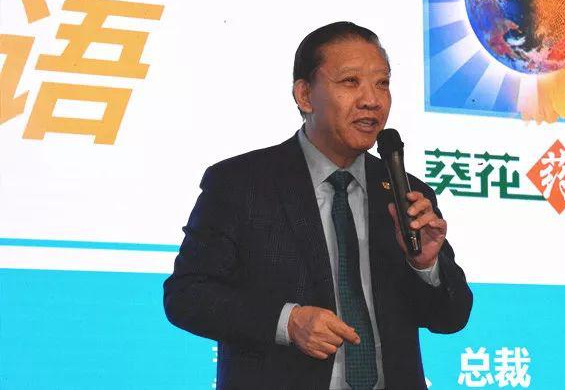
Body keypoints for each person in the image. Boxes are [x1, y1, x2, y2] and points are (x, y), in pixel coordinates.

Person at [163, 21, 472, 389]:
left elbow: (450, 318)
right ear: (305, 95)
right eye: (350, 82)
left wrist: (425, 265)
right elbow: (187, 295)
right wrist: (287, 322)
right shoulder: (241, 183)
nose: (372, 100)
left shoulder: (405, 192)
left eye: (382, 83)